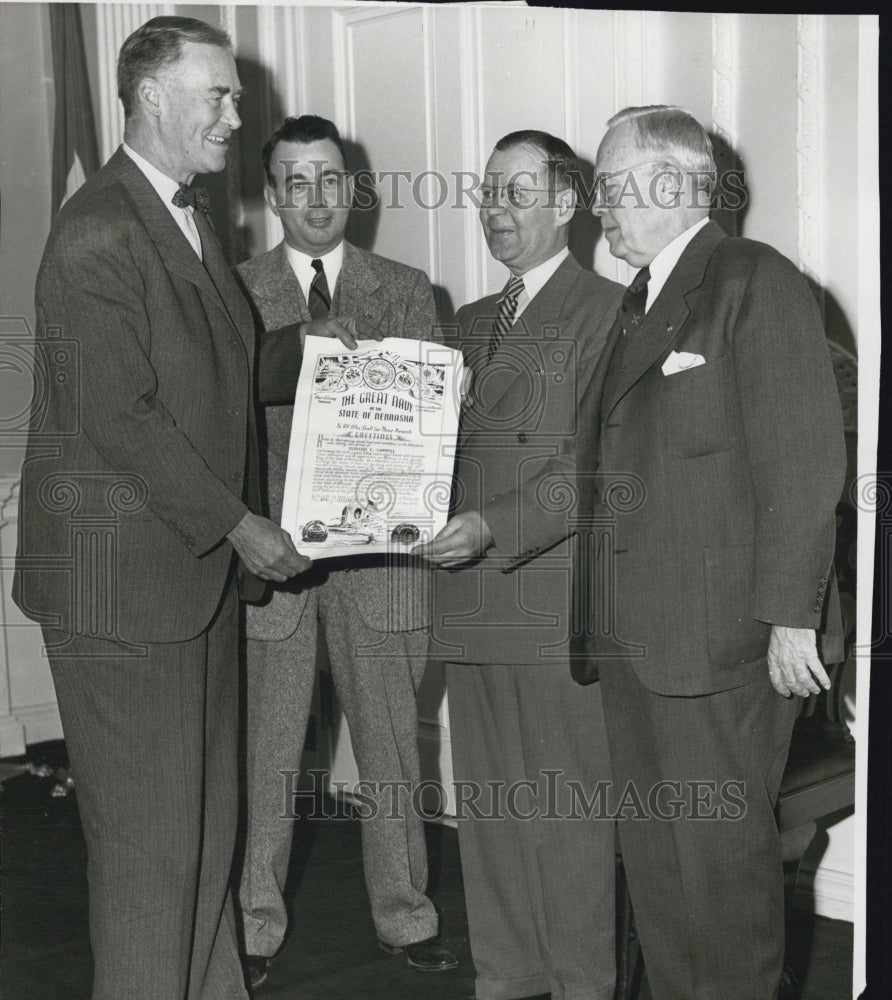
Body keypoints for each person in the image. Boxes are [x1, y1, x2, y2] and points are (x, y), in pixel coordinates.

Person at [431, 106, 846, 1000]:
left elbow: (805, 455)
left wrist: (788, 617)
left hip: (722, 645)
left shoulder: (749, 278)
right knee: (660, 880)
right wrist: (497, 518)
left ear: (670, 183)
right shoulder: (638, 298)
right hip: (632, 646)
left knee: (723, 884)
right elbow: (594, 463)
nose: (603, 209)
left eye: (613, 188)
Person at [12, 16, 310, 1000]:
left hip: (190, 581)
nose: (237, 115)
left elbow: (216, 370)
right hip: (124, 595)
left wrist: (337, 361)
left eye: (235, 94)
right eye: (216, 96)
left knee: (205, 837)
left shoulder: (188, 215)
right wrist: (237, 524)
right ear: (148, 99)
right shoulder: (98, 228)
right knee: (150, 858)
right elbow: (121, 415)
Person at [235, 114, 458, 990]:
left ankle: (406, 920)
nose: (317, 198)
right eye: (297, 181)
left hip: (383, 564)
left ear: (352, 189)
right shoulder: (235, 291)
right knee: (266, 756)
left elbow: (428, 426)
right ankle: (252, 930)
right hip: (276, 564)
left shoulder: (404, 288)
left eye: (331, 179)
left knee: (394, 754)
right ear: (272, 195)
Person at [414, 131, 624, 1000]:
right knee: (492, 814)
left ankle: (580, 985)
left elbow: (594, 467)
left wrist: (492, 527)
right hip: (468, 605)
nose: (495, 211)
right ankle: (505, 978)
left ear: (568, 204)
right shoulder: (463, 325)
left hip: (550, 602)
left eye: (515, 193)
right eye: (487, 193)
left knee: (569, 818)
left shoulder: (611, 312)